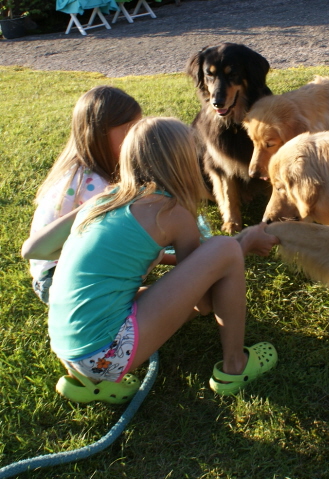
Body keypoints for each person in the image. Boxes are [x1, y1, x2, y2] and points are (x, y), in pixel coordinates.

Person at [22, 117, 279, 403]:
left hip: (67, 347)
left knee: (211, 256)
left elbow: (35, 248)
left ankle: (91, 383)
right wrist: (243, 244)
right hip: (105, 355)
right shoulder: (170, 213)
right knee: (226, 248)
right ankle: (235, 367)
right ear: (184, 163)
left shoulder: (102, 200)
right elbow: (204, 302)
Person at [25, 85, 143, 304]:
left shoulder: (82, 169)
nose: (137, 141)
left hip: (59, 273)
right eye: (130, 132)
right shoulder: (94, 185)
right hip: (60, 280)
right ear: (100, 133)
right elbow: (118, 246)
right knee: (151, 297)